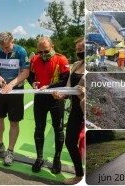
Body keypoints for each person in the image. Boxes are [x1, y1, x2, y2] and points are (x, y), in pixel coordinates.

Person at [0, 32, 30, 166]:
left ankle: (10, 151)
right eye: (2, 47)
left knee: (13, 121)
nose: (4, 50)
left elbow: (26, 72)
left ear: (13, 41)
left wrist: (11, 85)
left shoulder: (21, 51)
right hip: (1, 89)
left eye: (7, 47)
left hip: (15, 90)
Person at [27, 37, 70, 173]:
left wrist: (49, 86)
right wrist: (32, 83)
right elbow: (30, 75)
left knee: (58, 129)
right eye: (40, 52)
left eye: (46, 51)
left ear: (52, 47)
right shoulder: (34, 60)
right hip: (40, 98)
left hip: (56, 99)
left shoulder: (61, 59)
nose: (43, 55)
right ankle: (39, 158)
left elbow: (65, 80)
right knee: (39, 129)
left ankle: (57, 159)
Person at [52, 37, 84, 185]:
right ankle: (79, 174)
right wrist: (61, 95)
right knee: (70, 142)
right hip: (76, 109)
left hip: (90, 110)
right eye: (77, 49)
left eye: (82, 48)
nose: (80, 52)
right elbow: (69, 89)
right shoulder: (76, 65)